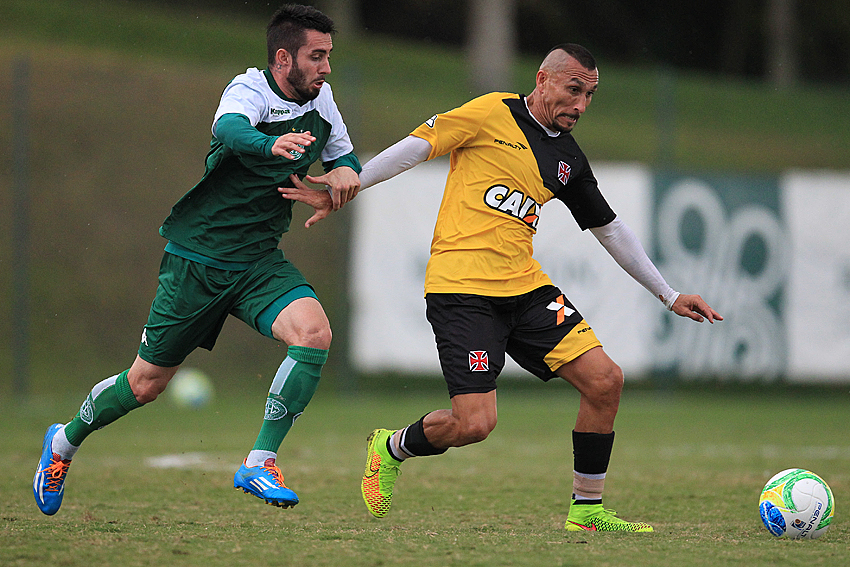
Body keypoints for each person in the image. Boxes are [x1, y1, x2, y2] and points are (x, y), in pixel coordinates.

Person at [282, 43, 722, 532]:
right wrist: (349, 185)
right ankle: (390, 447)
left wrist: (669, 294)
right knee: (475, 424)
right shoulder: (492, 112)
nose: (580, 105)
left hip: (525, 289)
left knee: (605, 382)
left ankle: (587, 512)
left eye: (589, 95)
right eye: (574, 89)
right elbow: (417, 147)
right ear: (543, 80)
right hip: (461, 290)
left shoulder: (567, 159)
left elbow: (610, 229)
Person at [33, 3, 361, 516]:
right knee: (145, 385)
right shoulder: (249, 90)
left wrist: (344, 176)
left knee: (314, 334)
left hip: (259, 262)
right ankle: (63, 443)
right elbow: (230, 130)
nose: (325, 67)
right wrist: (270, 145)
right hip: (198, 259)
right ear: (283, 58)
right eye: (315, 57)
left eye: (328, 56)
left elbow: (345, 158)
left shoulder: (323, 101)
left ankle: (259, 461)